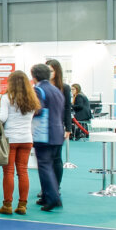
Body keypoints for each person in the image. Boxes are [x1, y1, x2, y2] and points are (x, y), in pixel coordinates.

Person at [0, 70, 40, 215]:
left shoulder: (6, 98)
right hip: (26, 139)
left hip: (10, 139)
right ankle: (22, 205)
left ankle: (7, 205)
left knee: (8, 172)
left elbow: (2, 118)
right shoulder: (32, 99)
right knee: (23, 171)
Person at [31, 63, 66, 211]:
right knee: (51, 164)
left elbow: (38, 109)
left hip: (44, 133)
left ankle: (53, 198)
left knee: (44, 166)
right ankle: (48, 196)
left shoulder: (38, 90)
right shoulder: (56, 90)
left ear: (34, 76)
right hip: (57, 132)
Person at [44, 59, 73, 190]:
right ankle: (46, 187)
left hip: (57, 126)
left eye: (51, 71)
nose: (49, 73)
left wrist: (68, 127)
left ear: (57, 71)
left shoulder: (64, 88)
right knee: (44, 159)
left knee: (56, 158)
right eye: (47, 71)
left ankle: (56, 187)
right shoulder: (41, 86)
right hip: (43, 126)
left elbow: (67, 108)